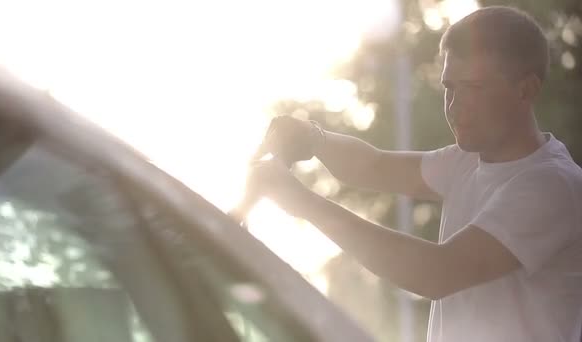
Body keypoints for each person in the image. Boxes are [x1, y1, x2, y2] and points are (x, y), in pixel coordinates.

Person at [237, 6, 582, 342]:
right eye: (449, 87)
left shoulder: (552, 185)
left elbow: (438, 272)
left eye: (474, 87)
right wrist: (313, 138)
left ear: (526, 89)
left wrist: (301, 202)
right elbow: (371, 166)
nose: (455, 104)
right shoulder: (466, 161)